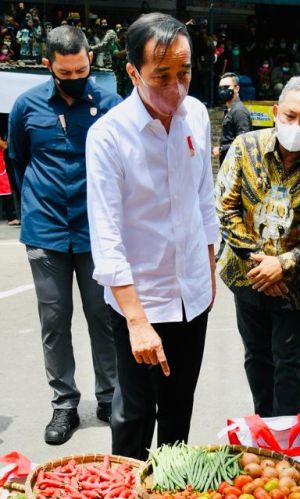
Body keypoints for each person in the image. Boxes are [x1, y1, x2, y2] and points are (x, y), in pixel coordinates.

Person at [85, 12, 218, 460]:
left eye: (185, 74)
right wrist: (137, 323)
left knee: (179, 410)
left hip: (192, 296)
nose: (176, 89)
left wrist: (210, 276)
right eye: (162, 77)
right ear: (133, 73)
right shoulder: (108, 136)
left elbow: (204, 201)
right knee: (134, 414)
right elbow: (106, 236)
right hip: (139, 302)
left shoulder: (196, 115)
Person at [8, 25, 121, 445]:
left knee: (104, 319)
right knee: (54, 321)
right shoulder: (27, 105)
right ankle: (64, 405)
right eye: (65, 72)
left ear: (90, 58)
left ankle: (110, 397)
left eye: (81, 69)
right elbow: (17, 159)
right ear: (48, 66)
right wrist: (34, 206)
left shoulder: (111, 104)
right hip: (46, 231)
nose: (75, 78)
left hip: (98, 233)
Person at [216, 76, 300, 417]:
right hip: (246, 276)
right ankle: (264, 427)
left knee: (289, 362)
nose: (296, 126)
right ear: (276, 112)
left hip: (295, 284)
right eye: (290, 116)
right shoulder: (245, 148)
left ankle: (287, 436)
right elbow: (225, 207)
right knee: (256, 356)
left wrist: (285, 264)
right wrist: (258, 261)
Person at [213, 72, 252, 165]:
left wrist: (222, 149)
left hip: (236, 167)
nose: (223, 91)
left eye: (226, 87)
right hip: (228, 165)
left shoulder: (239, 111)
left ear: (237, 88)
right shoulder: (230, 110)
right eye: (220, 88)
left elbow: (244, 142)